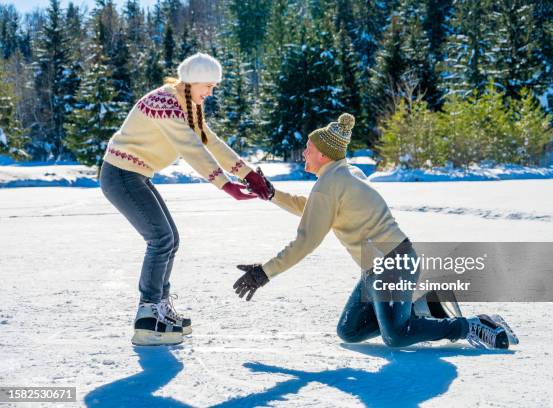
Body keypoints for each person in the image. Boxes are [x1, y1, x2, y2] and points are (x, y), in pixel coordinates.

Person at [233, 113, 519, 350]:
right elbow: (313, 208)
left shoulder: (330, 184)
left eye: (308, 148)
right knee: (350, 331)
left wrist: (265, 272)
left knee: (397, 335)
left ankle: (472, 326)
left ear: (322, 153)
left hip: (393, 264)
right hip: (379, 267)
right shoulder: (345, 173)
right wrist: (272, 194)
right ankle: (424, 307)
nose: (304, 152)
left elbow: (306, 240)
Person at [100, 53, 271, 346]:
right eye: (208, 85)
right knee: (160, 239)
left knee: (171, 239)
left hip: (136, 175)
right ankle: (148, 314)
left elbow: (210, 141)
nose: (211, 92)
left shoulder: (189, 106)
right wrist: (225, 185)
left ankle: (160, 308)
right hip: (120, 175)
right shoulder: (164, 102)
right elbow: (191, 148)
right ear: (191, 81)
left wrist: (248, 174)